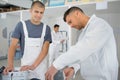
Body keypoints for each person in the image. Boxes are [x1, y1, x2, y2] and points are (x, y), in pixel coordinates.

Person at [45, 6, 119, 80]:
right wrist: (73, 68)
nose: (71, 26)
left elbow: (82, 50)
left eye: (70, 22)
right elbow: (85, 56)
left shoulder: (100, 25)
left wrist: (55, 65)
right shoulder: (83, 34)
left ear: (77, 13)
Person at [3, 1, 52, 80]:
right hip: (25, 68)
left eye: (41, 13)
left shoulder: (46, 29)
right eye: (36, 12)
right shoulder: (21, 25)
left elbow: (45, 50)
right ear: (30, 11)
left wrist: (33, 66)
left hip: (41, 68)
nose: (39, 15)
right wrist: (10, 65)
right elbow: (13, 46)